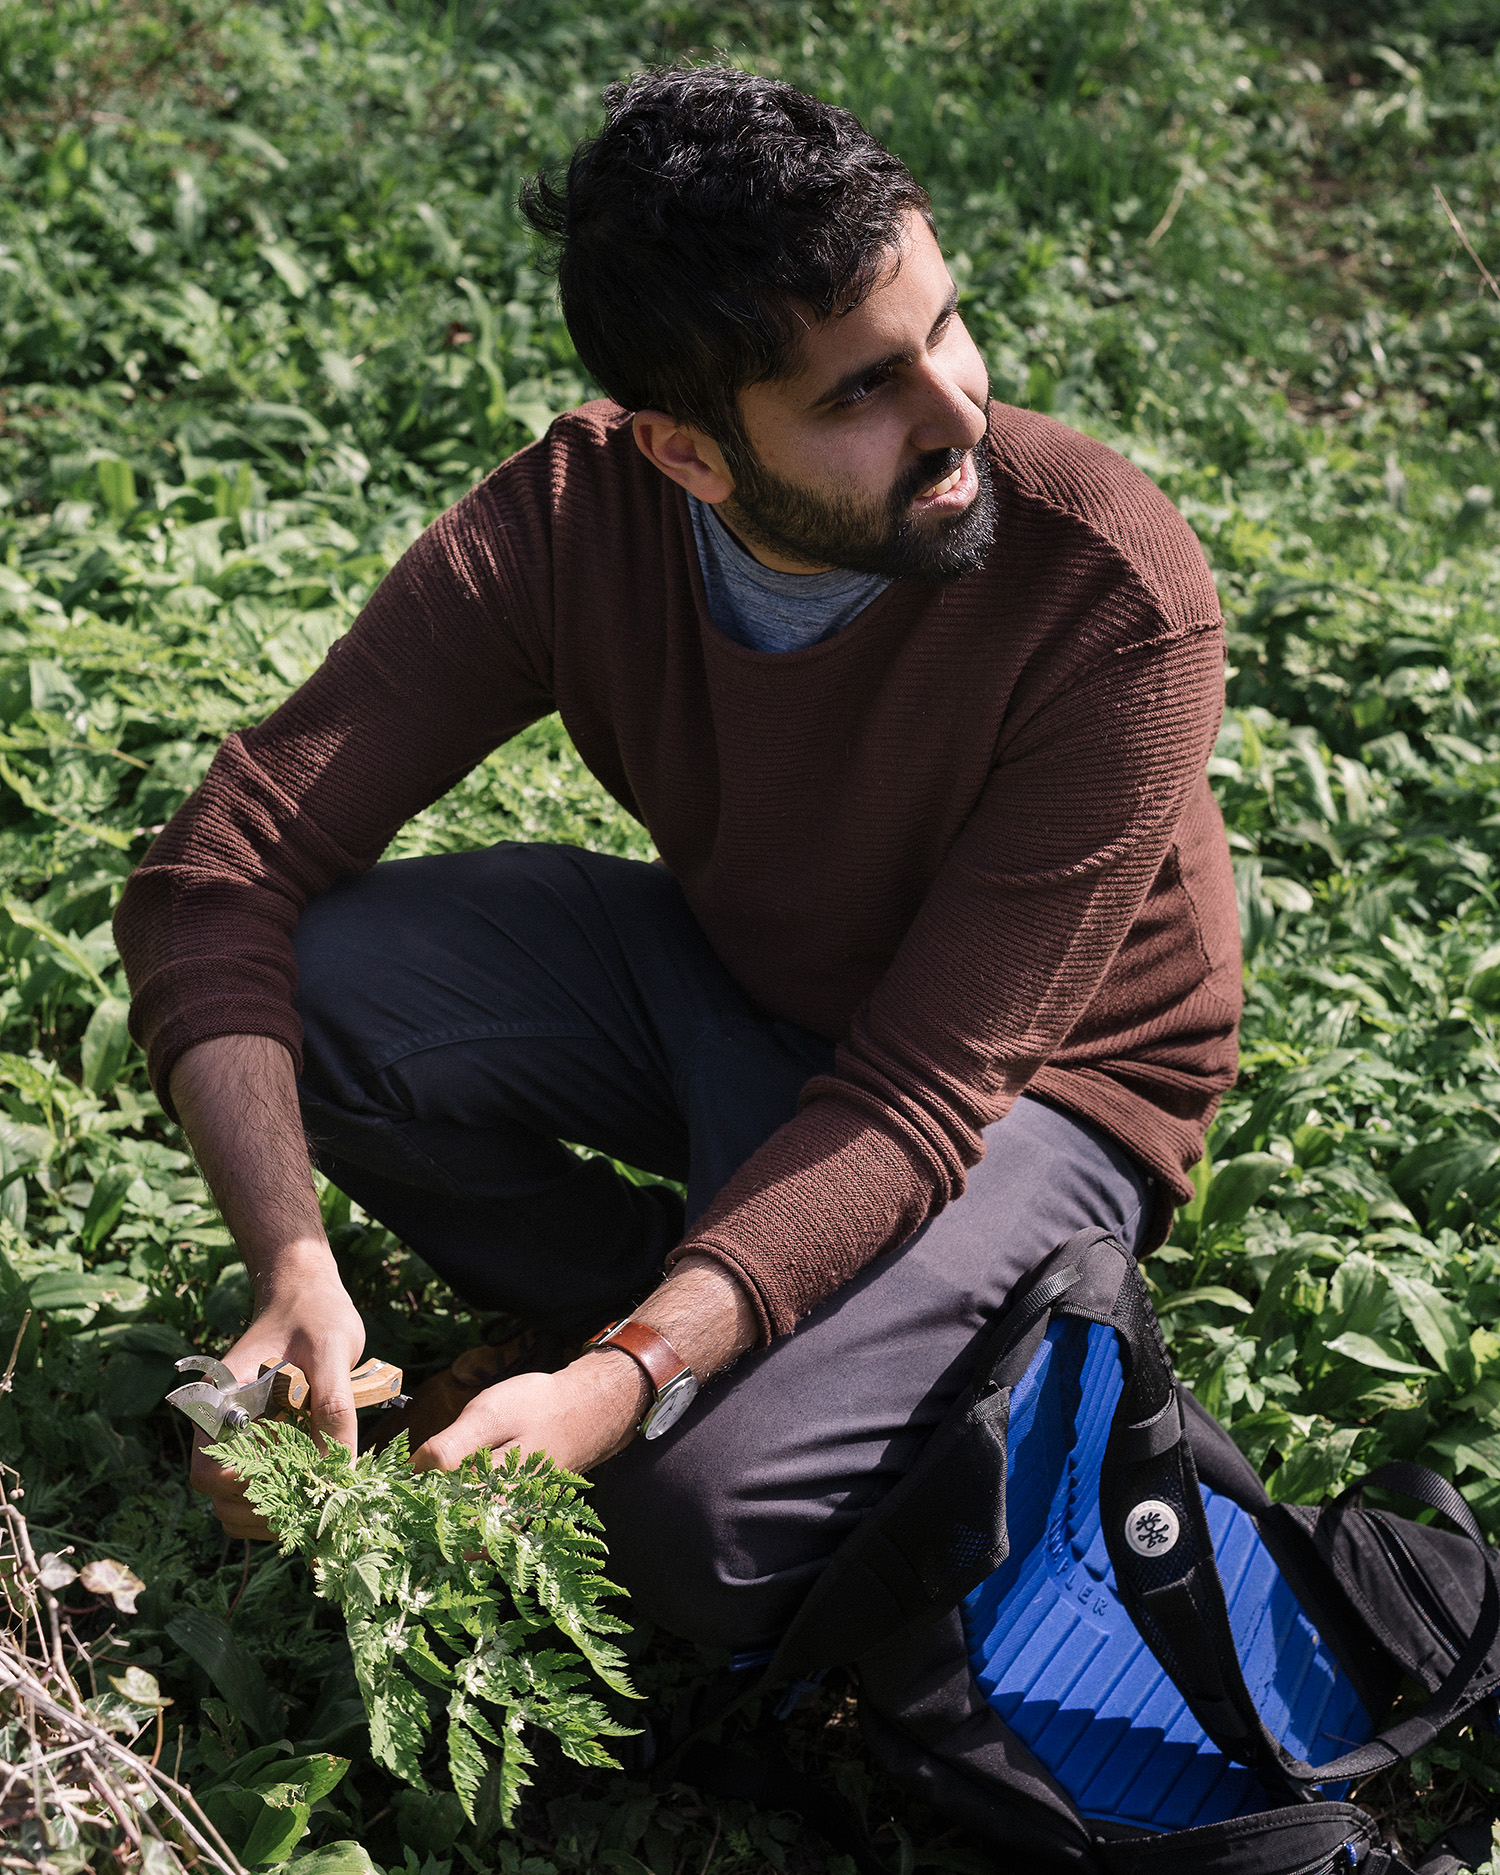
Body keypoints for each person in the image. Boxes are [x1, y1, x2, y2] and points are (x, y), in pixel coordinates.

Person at [114, 66, 1241, 1650]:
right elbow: (216, 873)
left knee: (683, 1526)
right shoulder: (575, 523)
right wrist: (292, 1263)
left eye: (946, 328)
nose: (958, 413)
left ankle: (729, 1348)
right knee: (324, 993)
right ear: (688, 457)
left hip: (1038, 1093)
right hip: (746, 982)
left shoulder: (1108, 593)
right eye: (860, 392)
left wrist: (625, 1380)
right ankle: (688, 1295)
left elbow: (924, 1092)